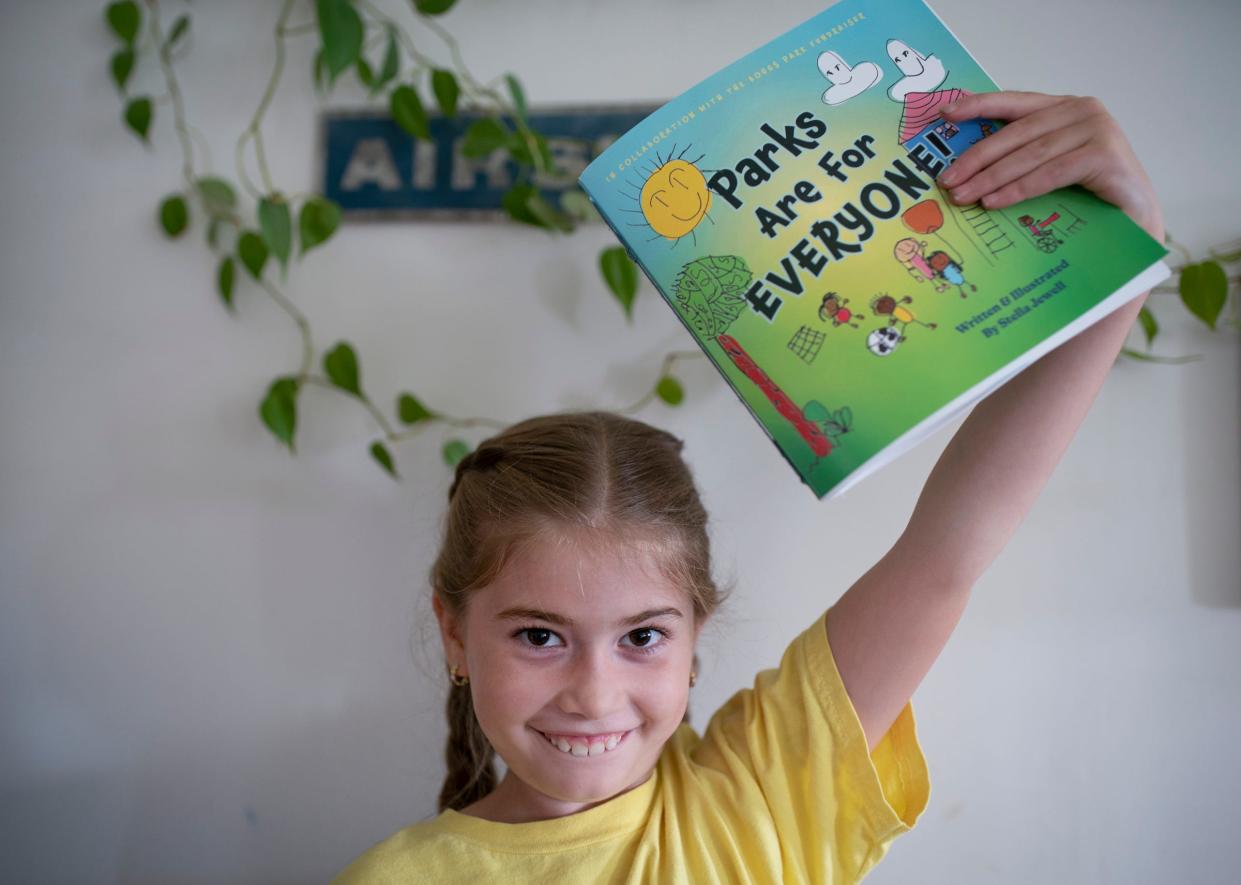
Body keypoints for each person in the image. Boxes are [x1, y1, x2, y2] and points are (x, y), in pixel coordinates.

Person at [334, 91, 1164, 883]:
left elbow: (946, 553)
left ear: (695, 640)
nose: (593, 693)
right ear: (453, 632)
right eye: (539, 636)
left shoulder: (763, 792)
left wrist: (1128, 238)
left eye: (643, 636)